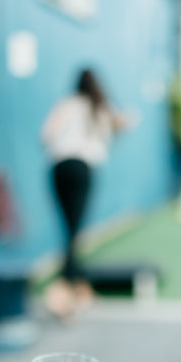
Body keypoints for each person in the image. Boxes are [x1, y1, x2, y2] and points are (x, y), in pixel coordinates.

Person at [41, 68, 135, 318]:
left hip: (59, 167)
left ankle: (80, 289)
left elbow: (47, 135)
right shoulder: (100, 108)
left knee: (68, 229)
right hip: (83, 168)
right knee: (74, 231)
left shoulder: (66, 104)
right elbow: (123, 124)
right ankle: (62, 292)